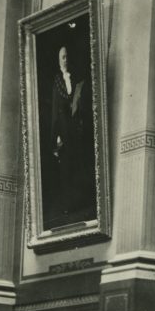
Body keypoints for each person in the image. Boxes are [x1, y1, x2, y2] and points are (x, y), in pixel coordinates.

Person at [49, 44, 93, 224]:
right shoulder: (57, 81)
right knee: (65, 170)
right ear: (59, 60)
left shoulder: (74, 79)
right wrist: (56, 136)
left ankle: (79, 202)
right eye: (62, 57)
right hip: (63, 131)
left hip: (75, 129)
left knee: (77, 166)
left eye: (67, 56)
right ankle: (67, 205)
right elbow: (55, 111)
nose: (65, 60)